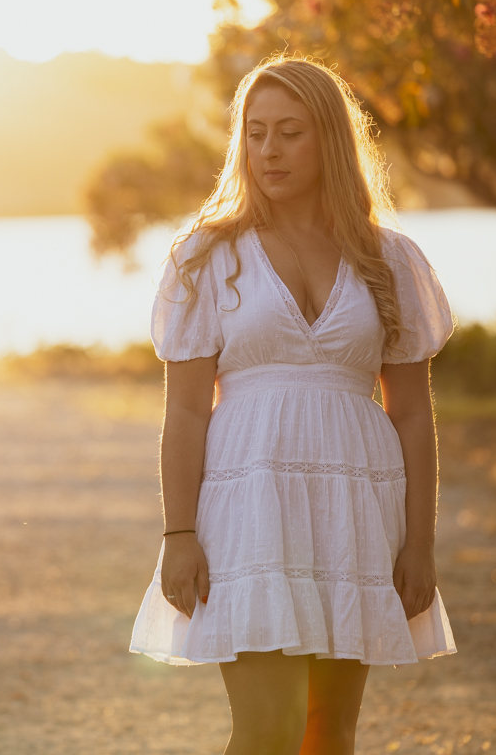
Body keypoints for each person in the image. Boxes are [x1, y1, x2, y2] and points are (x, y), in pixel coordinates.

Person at [129, 55, 457, 755]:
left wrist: (420, 543)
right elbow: (185, 412)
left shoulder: (390, 259)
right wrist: (178, 534)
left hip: (355, 508)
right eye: (255, 133)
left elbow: (412, 415)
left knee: (330, 732)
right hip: (250, 508)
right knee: (267, 731)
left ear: (330, 140)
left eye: (289, 132)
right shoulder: (207, 256)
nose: (268, 150)